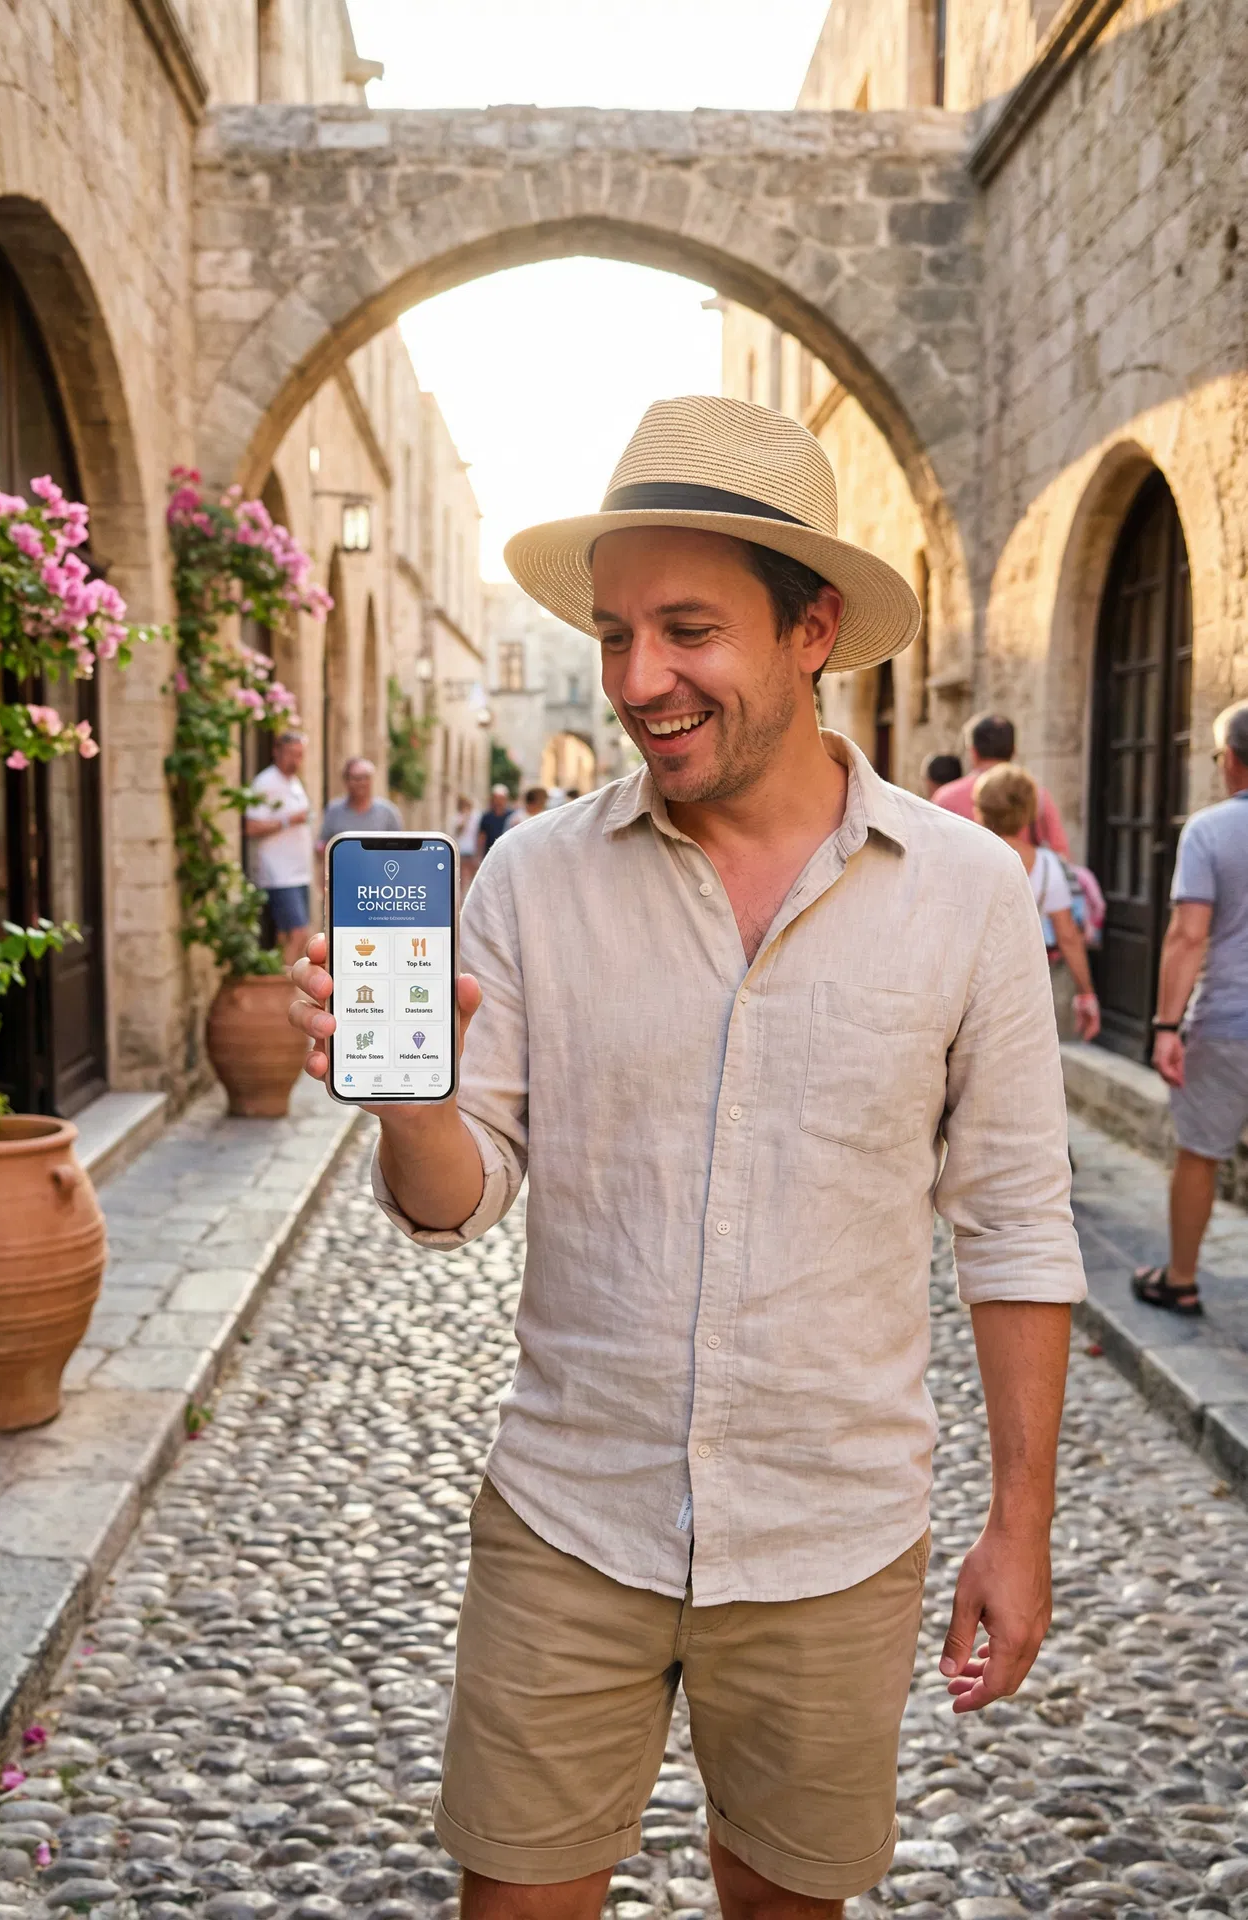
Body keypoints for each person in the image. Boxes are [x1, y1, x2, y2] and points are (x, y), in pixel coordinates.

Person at [291, 397, 1084, 1920]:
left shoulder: (968, 898)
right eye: (610, 634)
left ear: (813, 628)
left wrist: (1019, 1528)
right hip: (566, 1521)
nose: (637, 680)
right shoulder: (529, 880)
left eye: (685, 629)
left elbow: (1015, 1226)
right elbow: (454, 1203)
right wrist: (406, 1098)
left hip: (831, 1539)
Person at [1134, 699, 1248, 1316]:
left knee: (1200, 1154)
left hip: (1228, 1024)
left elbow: (1187, 935)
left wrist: (1166, 1027)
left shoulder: (1208, 830)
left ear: (1231, 759)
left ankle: (1180, 1279)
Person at [972, 764, 1100, 1043]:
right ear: (1029, 813)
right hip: (1025, 986)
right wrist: (1086, 993)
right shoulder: (1047, 864)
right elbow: (1067, 935)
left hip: (970, 985)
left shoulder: (965, 856)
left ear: (981, 808)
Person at [933, 713, 1071, 856]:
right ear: (1014, 751)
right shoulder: (1037, 795)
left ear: (973, 752)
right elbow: (1061, 853)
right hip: (1023, 875)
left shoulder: (946, 798)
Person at [243, 731, 314, 967]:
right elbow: (251, 827)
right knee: (298, 932)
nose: (296, 760)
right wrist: (288, 820)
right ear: (276, 752)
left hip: (299, 872)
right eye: (291, 754)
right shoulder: (265, 783)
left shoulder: (294, 782)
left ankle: (282, 982)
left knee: (286, 935)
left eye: (300, 755)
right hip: (279, 874)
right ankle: (288, 987)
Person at [316, 756, 403, 851]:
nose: (361, 783)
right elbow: (322, 844)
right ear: (346, 781)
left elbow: (400, 848)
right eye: (356, 778)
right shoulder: (334, 810)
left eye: (365, 777)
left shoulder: (388, 812)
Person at [476, 784, 515, 860]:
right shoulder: (486, 816)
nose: (498, 801)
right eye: (496, 798)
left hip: (507, 855)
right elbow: (482, 836)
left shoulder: (512, 816)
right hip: (489, 854)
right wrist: (478, 855)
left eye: (501, 798)